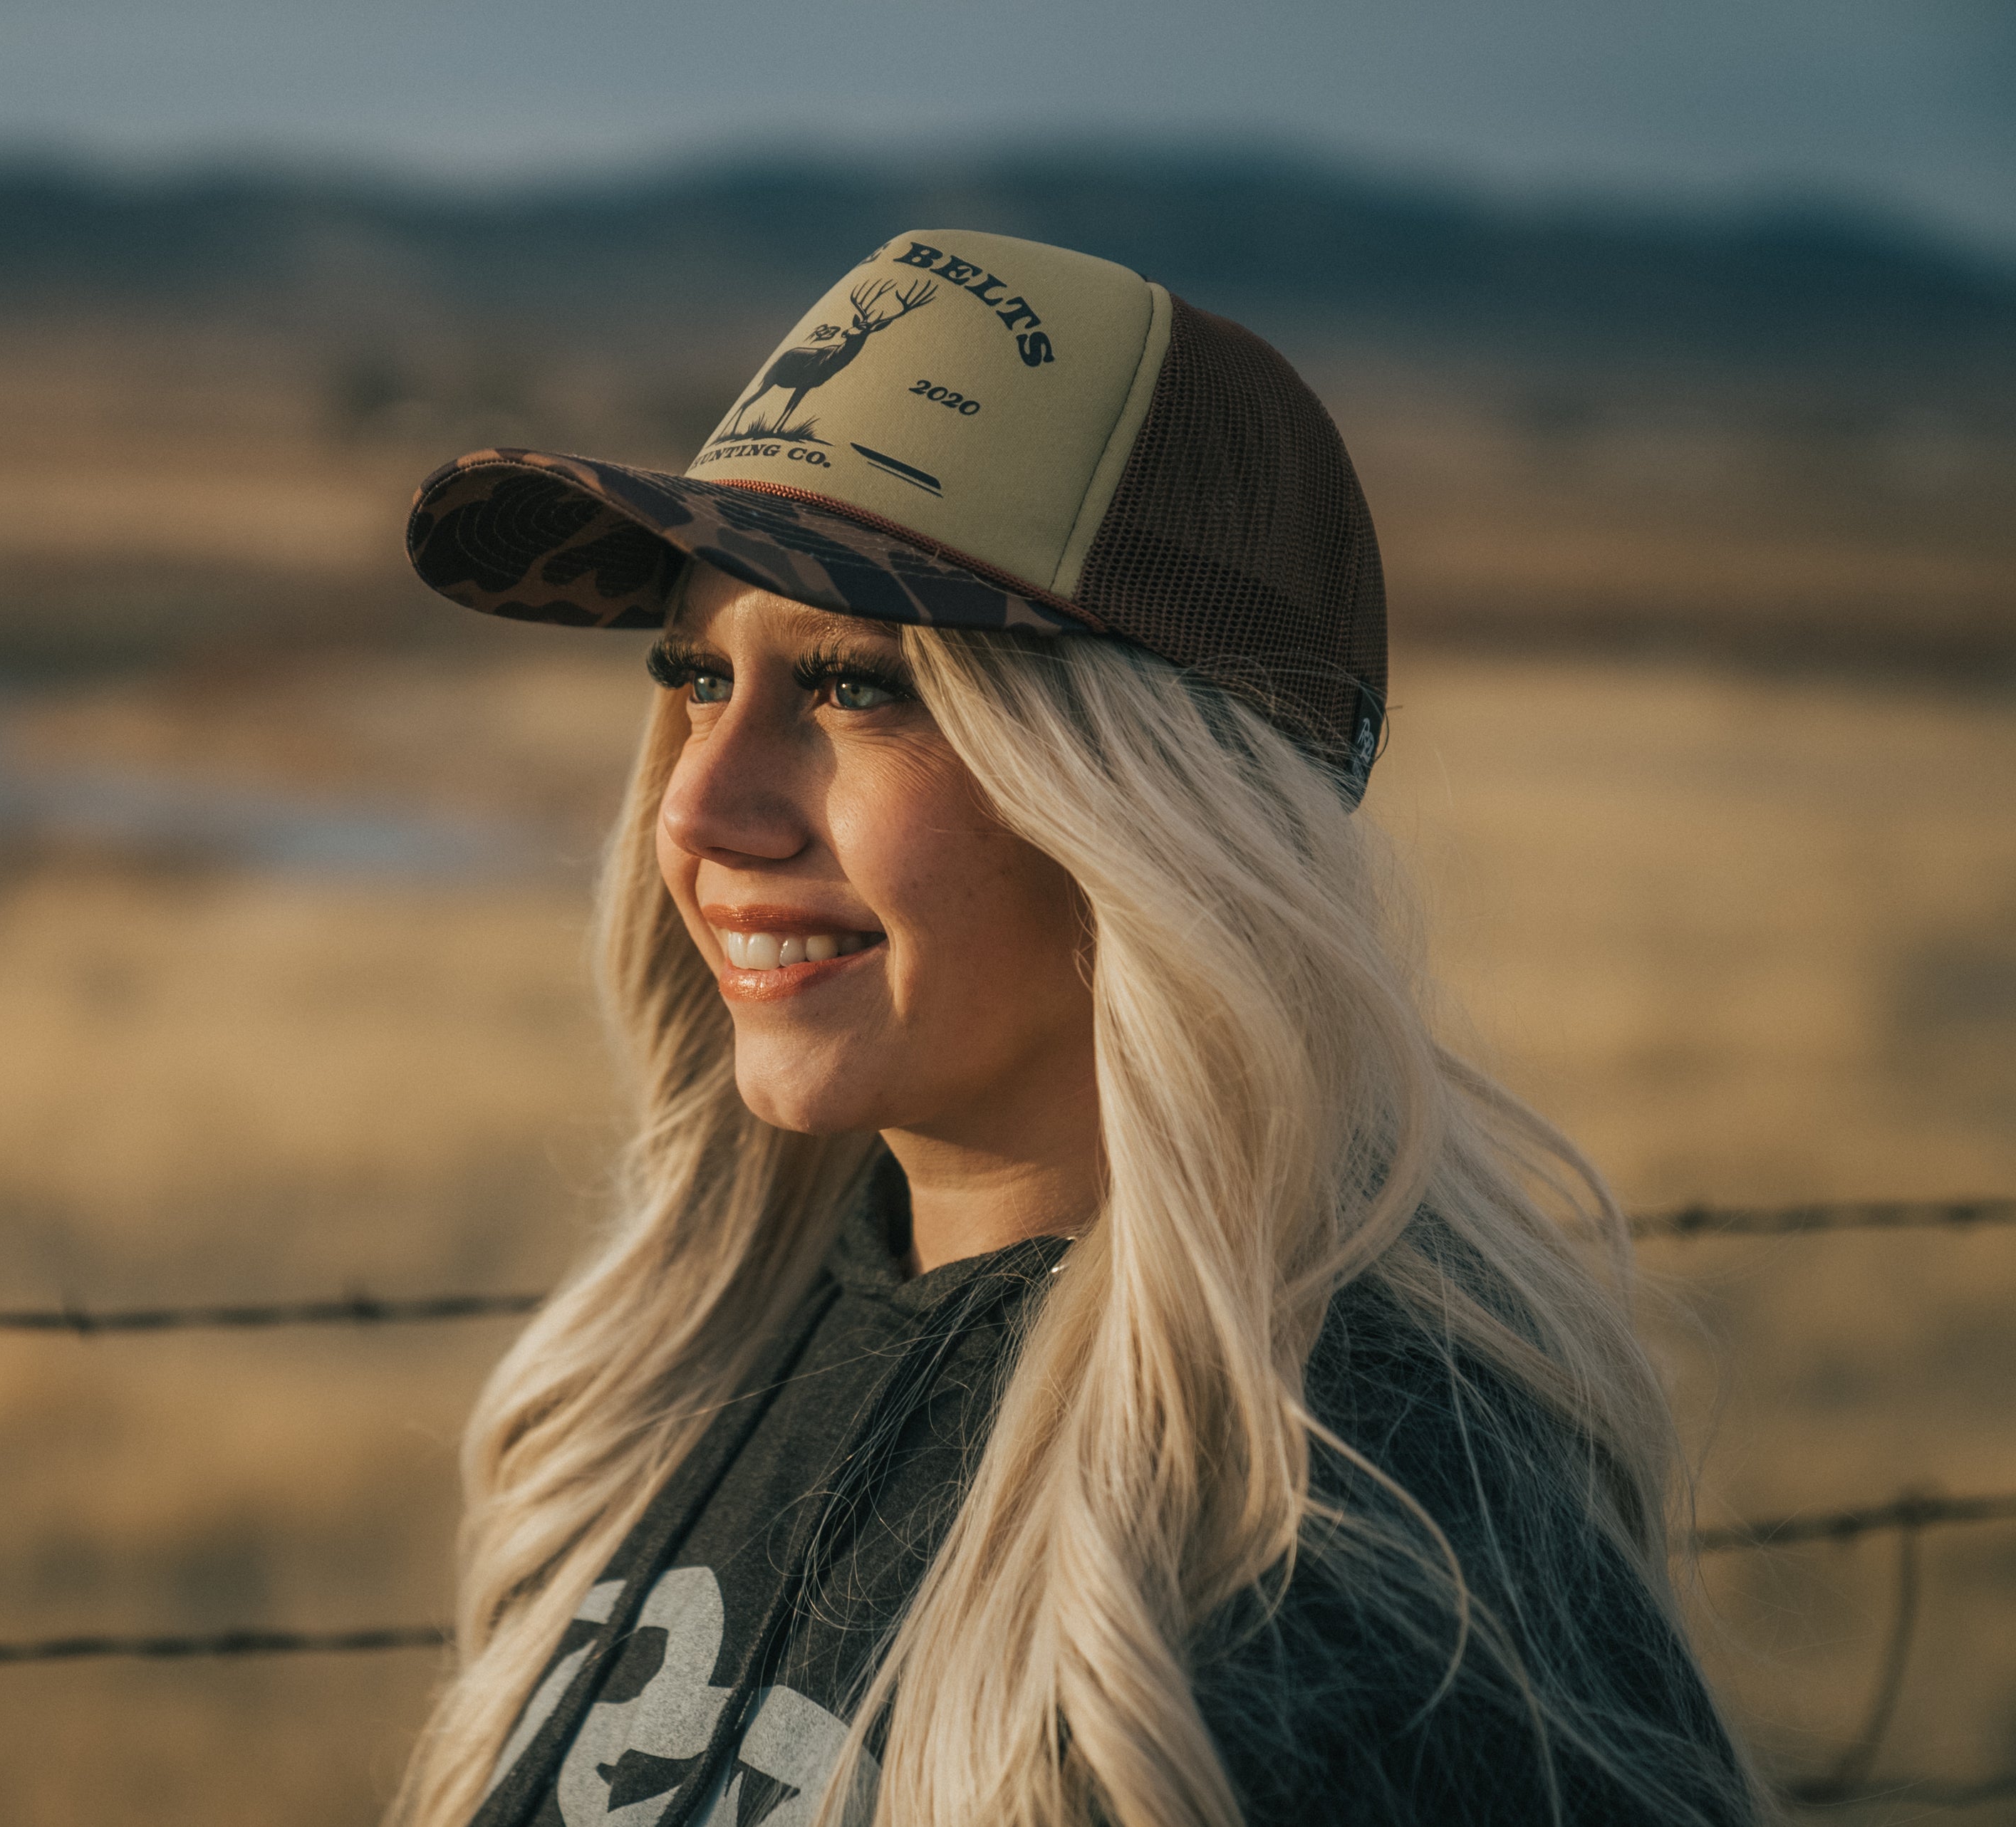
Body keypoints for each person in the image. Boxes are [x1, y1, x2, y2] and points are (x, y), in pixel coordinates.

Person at [389, 230, 1763, 1827]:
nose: (700, 804)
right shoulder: (704, 1366)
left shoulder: (1352, 1584)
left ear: (1150, 806)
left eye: (858, 686)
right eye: (697, 675)